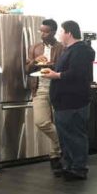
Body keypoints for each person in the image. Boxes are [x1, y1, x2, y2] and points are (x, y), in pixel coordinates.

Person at [44, 20, 95, 181]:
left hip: (74, 101)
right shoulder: (70, 50)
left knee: (75, 136)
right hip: (64, 102)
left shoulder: (81, 50)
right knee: (66, 136)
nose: (59, 35)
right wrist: (53, 70)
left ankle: (78, 168)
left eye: (61, 31)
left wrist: (56, 75)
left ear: (69, 33)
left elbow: (76, 73)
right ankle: (70, 166)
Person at [26, 19, 64, 176]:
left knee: (59, 122)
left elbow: (66, 68)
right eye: (40, 31)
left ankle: (55, 156)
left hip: (58, 89)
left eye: (46, 31)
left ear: (54, 31)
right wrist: (35, 61)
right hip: (39, 88)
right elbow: (27, 69)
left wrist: (51, 64)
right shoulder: (35, 47)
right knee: (41, 122)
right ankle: (63, 145)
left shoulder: (62, 47)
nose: (42, 34)